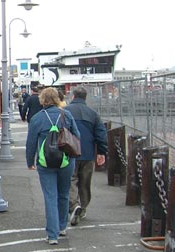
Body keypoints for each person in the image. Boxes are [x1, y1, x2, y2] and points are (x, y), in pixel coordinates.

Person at [25, 87, 80, 245]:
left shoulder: (37, 118)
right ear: (57, 99)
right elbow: (77, 135)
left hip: (45, 162)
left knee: (50, 196)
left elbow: (31, 143)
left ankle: (52, 235)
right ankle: (62, 227)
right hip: (66, 161)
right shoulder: (66, 115)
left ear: (42, 100)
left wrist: (30, 162)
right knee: (63, 194)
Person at [64, 86, 108, 226]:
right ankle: (83, 207)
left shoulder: (65, 112)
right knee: (85, 181)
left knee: (71, 180)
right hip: (88, 153)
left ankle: (73, 205)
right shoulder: (93, 114)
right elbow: (101, 134)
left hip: (69, 151)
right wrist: (102, 152)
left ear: (73, 96)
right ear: (85, 97)